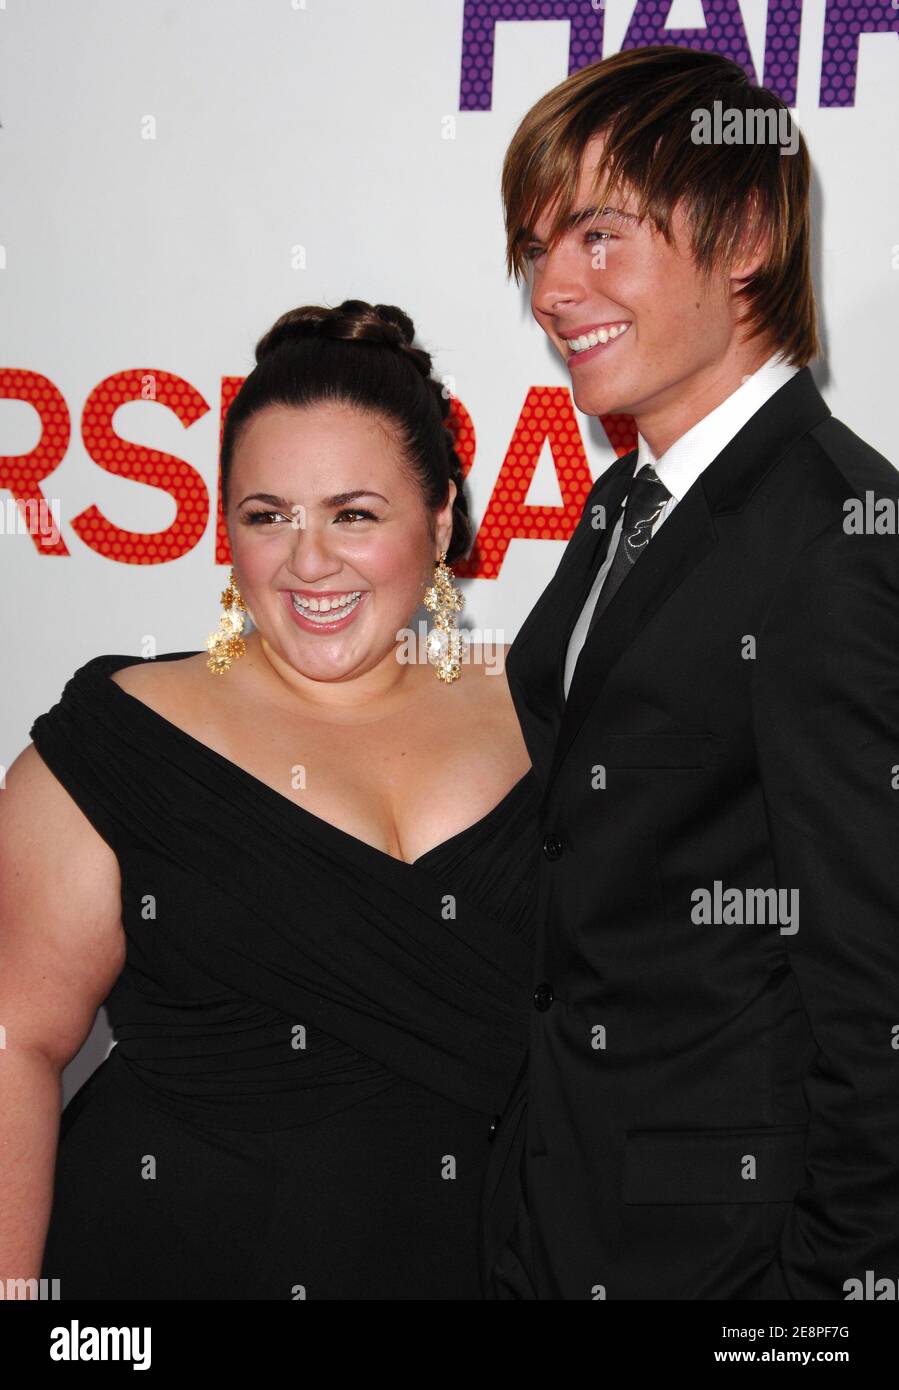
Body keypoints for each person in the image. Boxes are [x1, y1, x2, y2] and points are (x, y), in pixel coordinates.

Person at [0, 299, 539, 1300]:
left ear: (440, 521)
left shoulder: (544, 715)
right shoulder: (119, 741)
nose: (308, 560)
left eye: (353, 513)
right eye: (266, 515)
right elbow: (14, 1045)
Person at [480, 46, 899, 1300]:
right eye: (535, 248)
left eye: (599, 236)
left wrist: (817, 1308)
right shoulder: (628, 499)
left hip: (725, 1256)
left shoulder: (834, 537)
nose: (553, 290)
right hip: (563, 1207)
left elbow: (876, 987)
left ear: (747, 235)